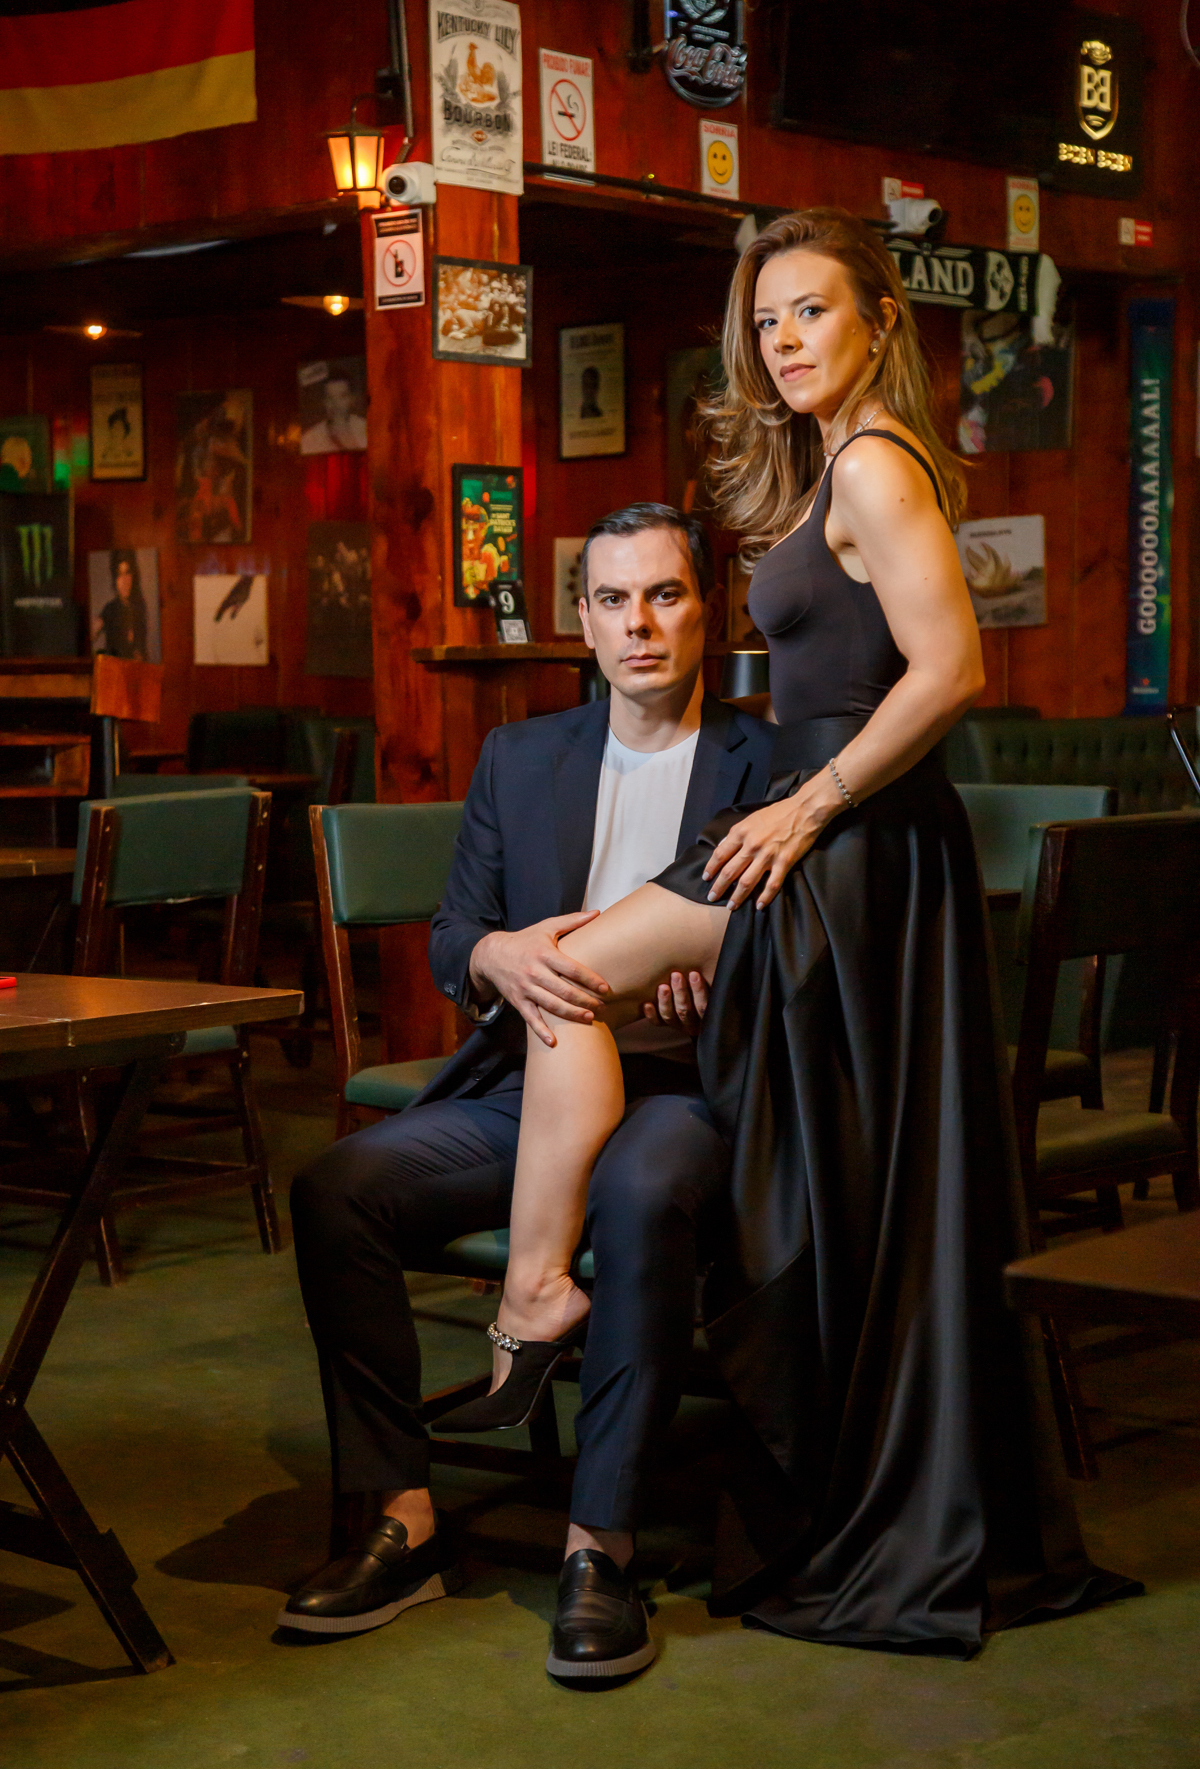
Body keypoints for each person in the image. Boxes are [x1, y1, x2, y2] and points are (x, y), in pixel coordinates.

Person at [438, 208, 1137, 1660]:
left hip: (850, 833)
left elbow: (952, 670)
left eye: (812, 310)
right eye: (766, 322)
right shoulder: (841, 461)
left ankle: (534, 1298)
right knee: (572, 972)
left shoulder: (876, 463)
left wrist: (811, 803)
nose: (785, 341)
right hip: (826, 829)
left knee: (572, 968)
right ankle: (541, 1291)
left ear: (881, 317)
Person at [283, 504, 777, 1678]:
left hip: (685, 1089)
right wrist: (499, 955)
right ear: (583, 624)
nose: (639, 623)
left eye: (664, 595)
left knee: (642, 1198)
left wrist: (722, 972)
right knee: (338, 1191)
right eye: (613, 600)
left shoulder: (772, 760)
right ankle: (402, 1518)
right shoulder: (520, 756)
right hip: (531, 1081)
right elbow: (455, 934)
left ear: (706, 611)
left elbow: (804, 941)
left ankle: (598, 1548)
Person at [93, 550, 148, 659]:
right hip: (113, 667)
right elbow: (91, 632)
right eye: (119, 575)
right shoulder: (110, 609)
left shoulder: (139, 608)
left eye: (127, 573)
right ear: (115, 579)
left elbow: (140, 651)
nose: (124, 580)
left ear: (133, 576)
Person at [301, 373, 368, 454]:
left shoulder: (366, 429)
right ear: (324, 402)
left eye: (342, 396)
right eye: (330, 398)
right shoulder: (310, 439)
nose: (336, 405)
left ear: (351, 399)